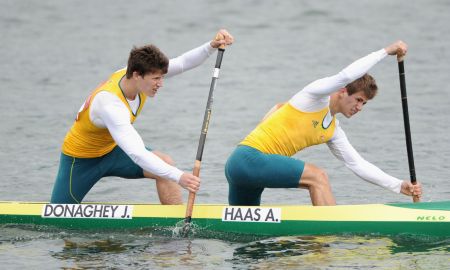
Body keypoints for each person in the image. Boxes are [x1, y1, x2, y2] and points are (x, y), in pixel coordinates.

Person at [225, 40, 422, 206]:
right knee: (318, 176)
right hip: (247, 159)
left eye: (365, 104)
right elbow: (345, 76)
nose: (360, 107)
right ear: (343, 91)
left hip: (247, 172)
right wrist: (385, 51)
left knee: (245, 230)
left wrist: (398, 185)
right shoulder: (313, 97)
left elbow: (357, 164)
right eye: (359, 100)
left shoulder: (333, 130)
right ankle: (329, 240)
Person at [51, 29, 234, 204]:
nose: (161, 83)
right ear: (137, 75)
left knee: (164, 164)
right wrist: (180, 176)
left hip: (113, 151)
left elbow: (183, 62)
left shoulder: (138, 74)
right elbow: (137, 153)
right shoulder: (110, 104)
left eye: (162, 77)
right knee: (57, 216)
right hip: (81, 160)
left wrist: (211, 46)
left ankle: (178, 226)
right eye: (156, 79)